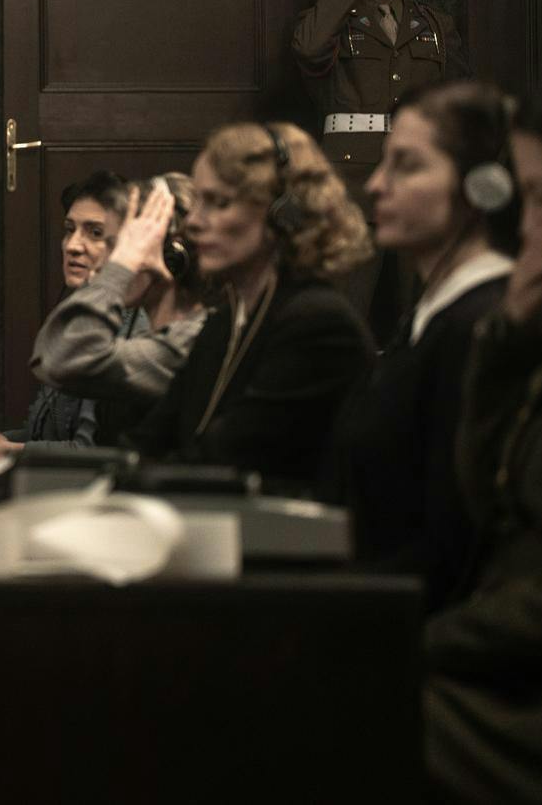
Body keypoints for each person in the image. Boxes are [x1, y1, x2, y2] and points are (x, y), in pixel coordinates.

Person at [424, 79, 542, 801]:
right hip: (516, 666)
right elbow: (487, 490)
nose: (531, 226)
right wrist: (511, 337)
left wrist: (443, 637)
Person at [327, 81, 515, 613]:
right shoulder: (428, 317)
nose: (375, 185)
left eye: (407, 166)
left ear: (482, 188)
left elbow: (453, 548)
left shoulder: (481, 323)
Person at [124, 122, 376, 493]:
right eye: (198, 202)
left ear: (282, 213)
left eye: (219, 203)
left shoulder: (318, 324)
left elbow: (227, 460)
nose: (193, 223)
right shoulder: (224, 322)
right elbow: (150, 440)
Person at [0, 170, 174, 458]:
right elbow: (41, 435)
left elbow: (88, 453)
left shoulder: (131, 329)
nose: (73, 245)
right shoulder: (78, 312)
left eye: (95, 233)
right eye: (69, 229)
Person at [292, 0, 465, 334]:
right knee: (343, 321)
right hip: (351, 191)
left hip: (419, 186)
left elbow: (460, 102)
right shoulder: (329, 23)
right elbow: (309, 47)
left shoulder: (435, 26)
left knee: (421, 320)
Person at [30, 173, 211, 447]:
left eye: (118, 246)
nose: (109, 260)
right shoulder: (160, 333)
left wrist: (120, 268)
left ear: (170, 257)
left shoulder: (194, 340)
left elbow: (61, 360)